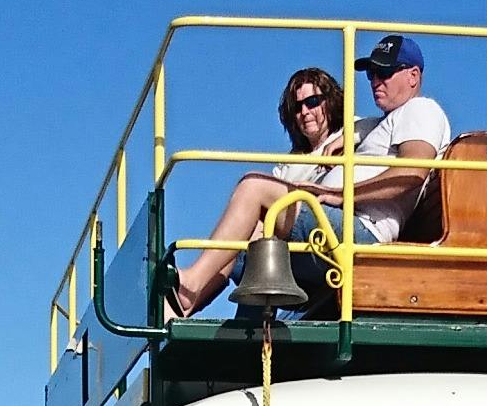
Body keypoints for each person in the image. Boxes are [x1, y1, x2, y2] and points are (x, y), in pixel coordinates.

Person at [175, 39, 448, 311]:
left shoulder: (421, 109)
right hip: (333, 228)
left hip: (362, 232)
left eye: (385, 72)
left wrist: (339, 195)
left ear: (413, 76)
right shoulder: (382, 122)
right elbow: (358, 129)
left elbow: (412, 173)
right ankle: (190, 311)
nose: (376, 80)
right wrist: (341, 142)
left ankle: (192, 282)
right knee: (255, 237)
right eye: (371, 74)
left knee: (253, 186)